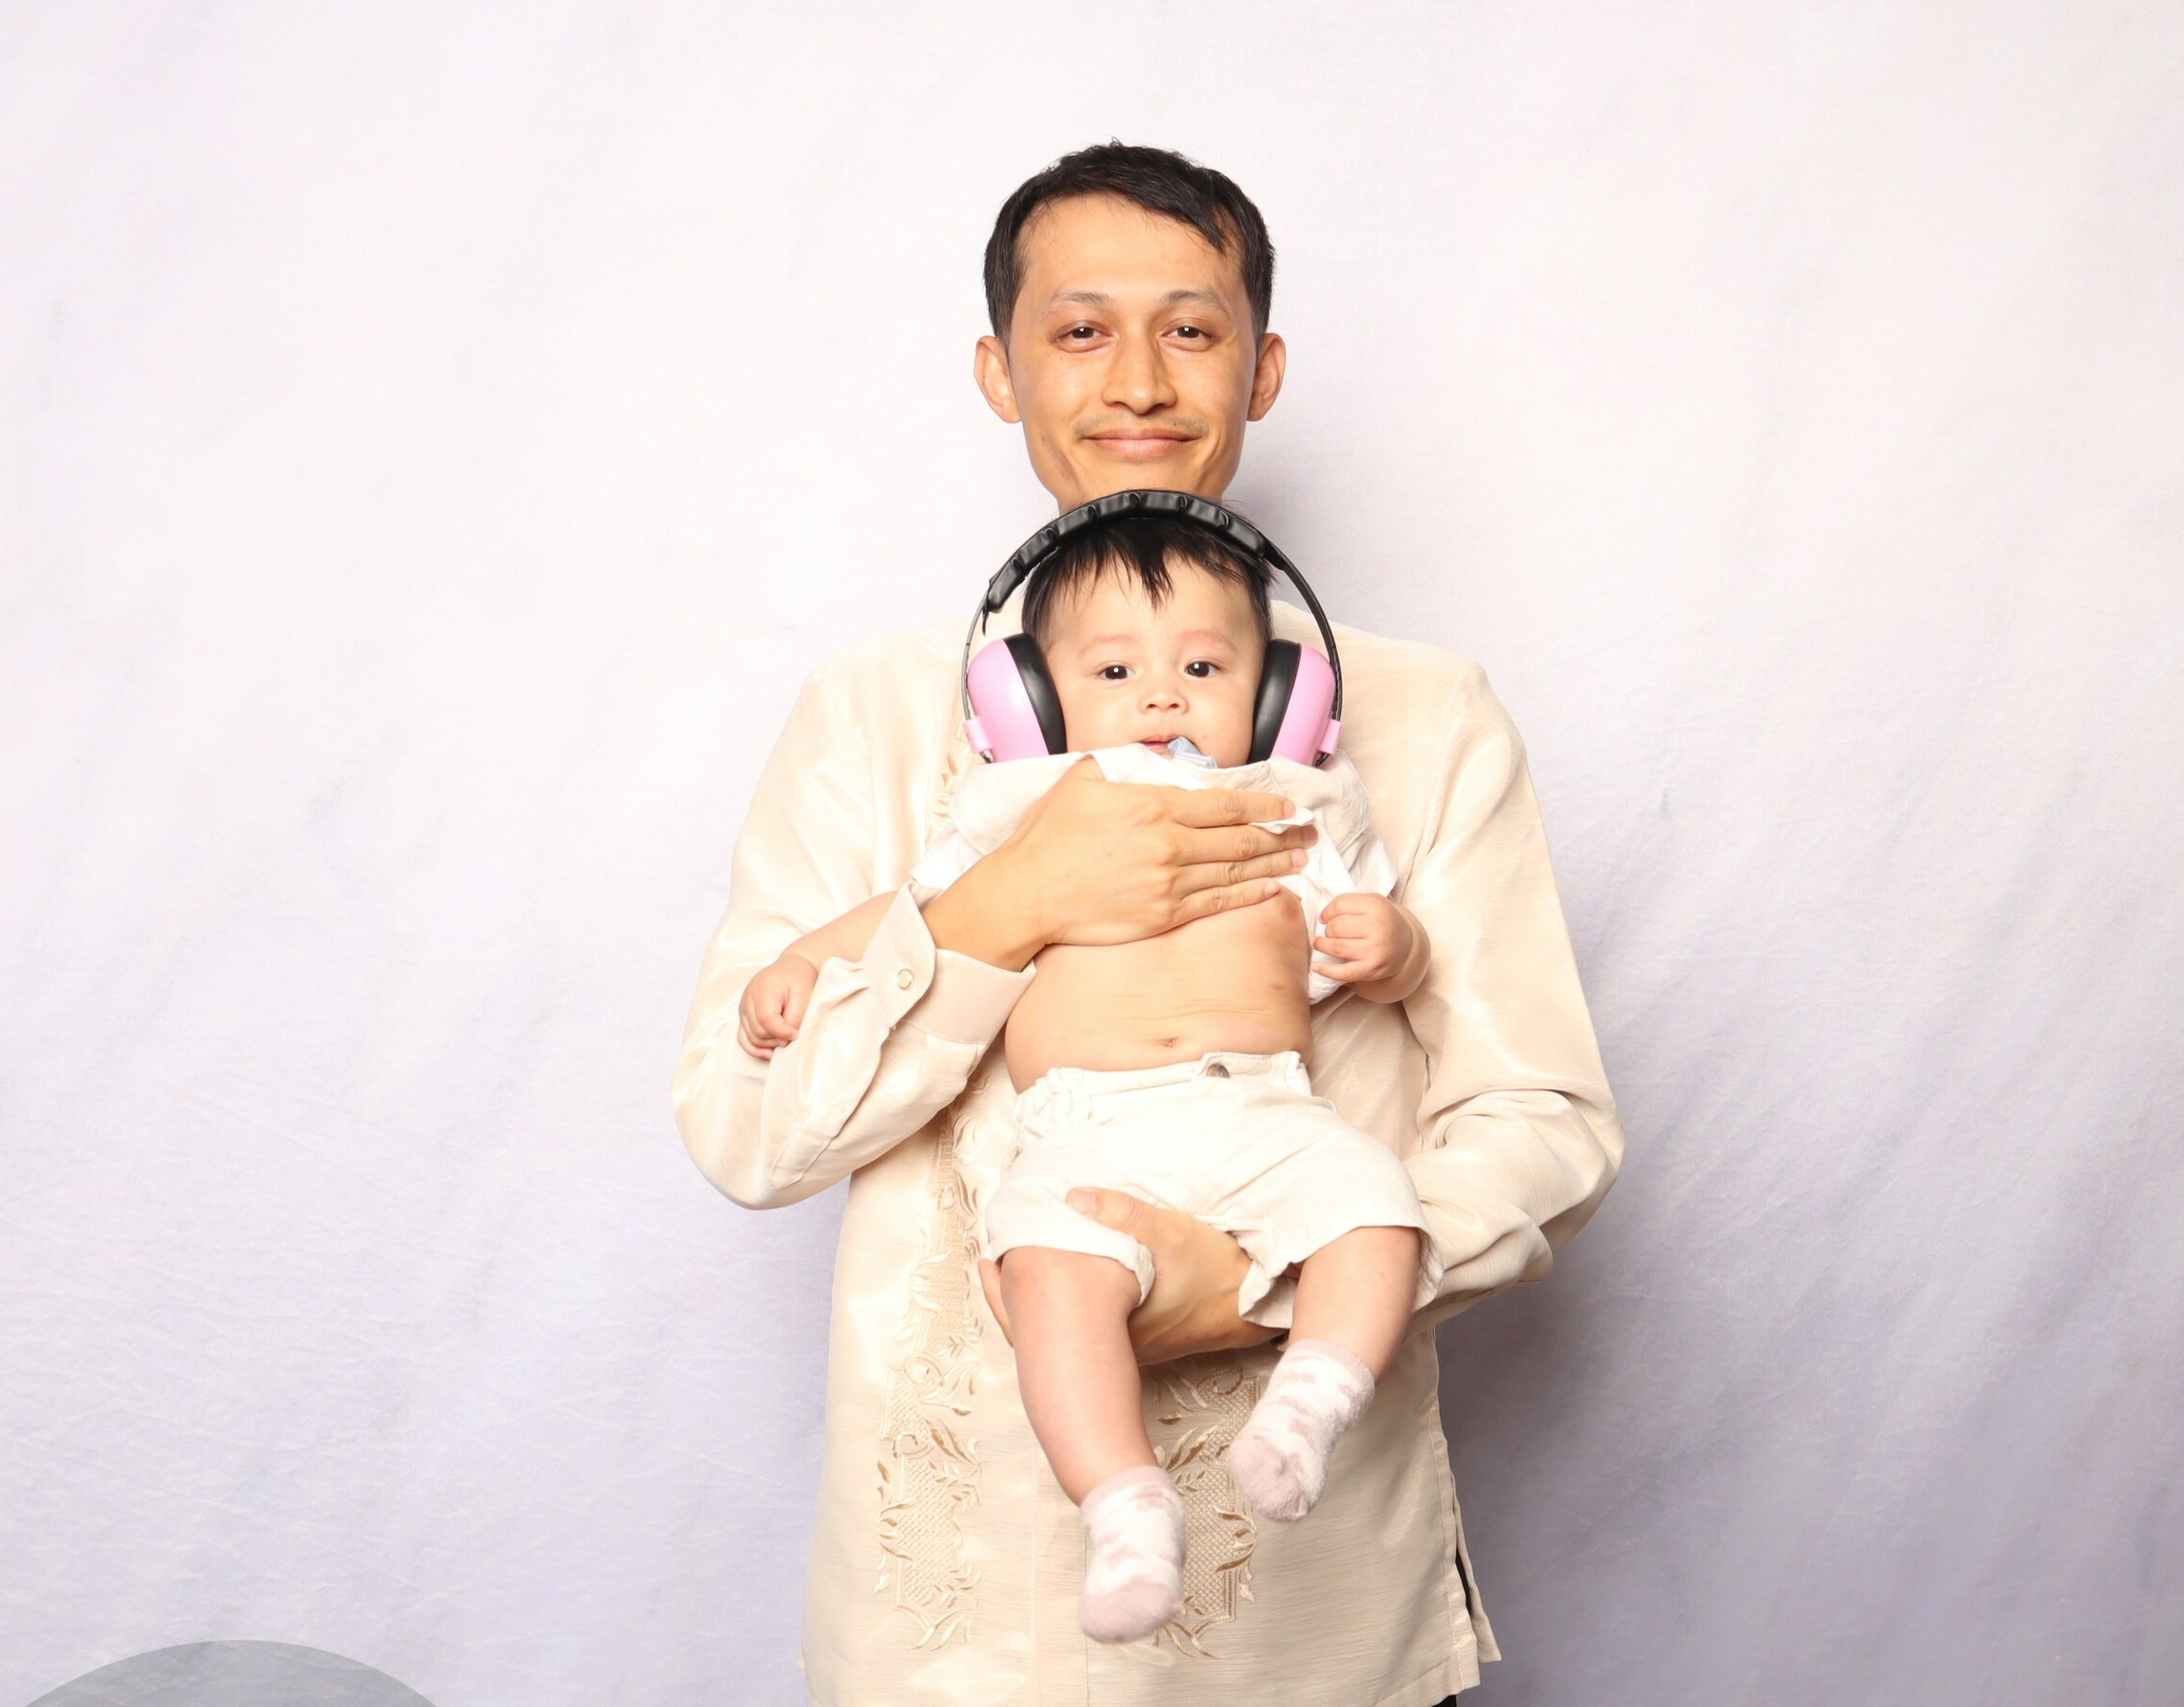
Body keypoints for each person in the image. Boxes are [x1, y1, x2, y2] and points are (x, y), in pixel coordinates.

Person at [673, 142, 1620, 1705]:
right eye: (1078, 330)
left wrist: (1251, 1281)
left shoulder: (1423, 714)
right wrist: (1003, 910)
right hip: (955, 1641)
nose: (1137, 380)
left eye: (1190, 329)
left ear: (1263, 368)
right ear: (1001, 369)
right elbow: (747, 1131)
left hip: (1321, 1625)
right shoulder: (865, 714)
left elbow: (1546, 1124)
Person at [745, 511, 1434, 1642]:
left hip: (1264, 1104)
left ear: (1281, 700)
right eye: (1115, 672)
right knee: (1047, 1277)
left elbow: (1371, 946)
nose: (1162, 697)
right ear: (1029, 705)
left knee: (1374, 1204)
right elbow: (911, 916)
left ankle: (1312, 1401)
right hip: (1084, 1130)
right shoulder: (1026, 816)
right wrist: (805, 963)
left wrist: (1390, 946)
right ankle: (1123, 1506)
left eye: (1203, 668)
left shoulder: (1286, 811)